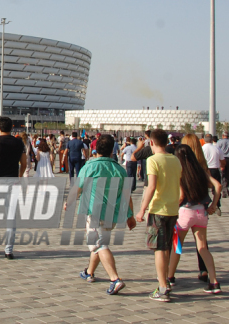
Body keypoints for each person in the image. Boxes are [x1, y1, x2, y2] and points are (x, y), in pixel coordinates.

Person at [75, 135, 136, 295]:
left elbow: (77, 188)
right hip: (112, 215)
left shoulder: (90, 167)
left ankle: (115, 279)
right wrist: (130, 215)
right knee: (98, 243)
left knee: (100, 245)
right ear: (112, 151)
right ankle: (89, 272)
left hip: (95, 213)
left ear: (95, 149)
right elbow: (126, 195)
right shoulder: (119, 169)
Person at [166, 144, 222, 294]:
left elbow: (181, 196)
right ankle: (214, 281)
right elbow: (218, 185)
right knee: (202, 247)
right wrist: (213, 205)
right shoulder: (200, 171)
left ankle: (170, 277)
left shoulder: (179, 172)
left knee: (177, 246)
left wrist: (172, 206)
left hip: (184, 214)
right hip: (201, 214)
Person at [134, 129, 181, 302]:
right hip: (173, 209)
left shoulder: (153, 160)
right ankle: (166, 281)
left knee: (159, 249)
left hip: (158, 210)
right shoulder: (175, 159)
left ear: (151, 143)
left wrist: (142, 210)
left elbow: (151, 186)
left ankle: (162, 288)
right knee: (166, 247)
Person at [0, 117, 27, 259]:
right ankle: (9, 249)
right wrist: (19, 176)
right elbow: (24, 163)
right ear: (12, 127)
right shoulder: (19, 142)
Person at [202, 133, 225, 210]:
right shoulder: (217, 148)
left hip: (204, 170)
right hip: (214, 169)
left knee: (204, 187)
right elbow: (222, 160)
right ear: (211, 140)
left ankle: (204, 203)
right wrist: (222, 166)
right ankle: (217, 204)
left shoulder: (202, 149)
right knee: (216, 187)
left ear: (204, 140)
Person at [216, 131, 229, 198]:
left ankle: (224, 191)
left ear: (223, 135)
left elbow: (217, 150)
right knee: (227, 175)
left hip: (222, 159)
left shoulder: (219, 142)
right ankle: (226, 189)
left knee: (222, 176)